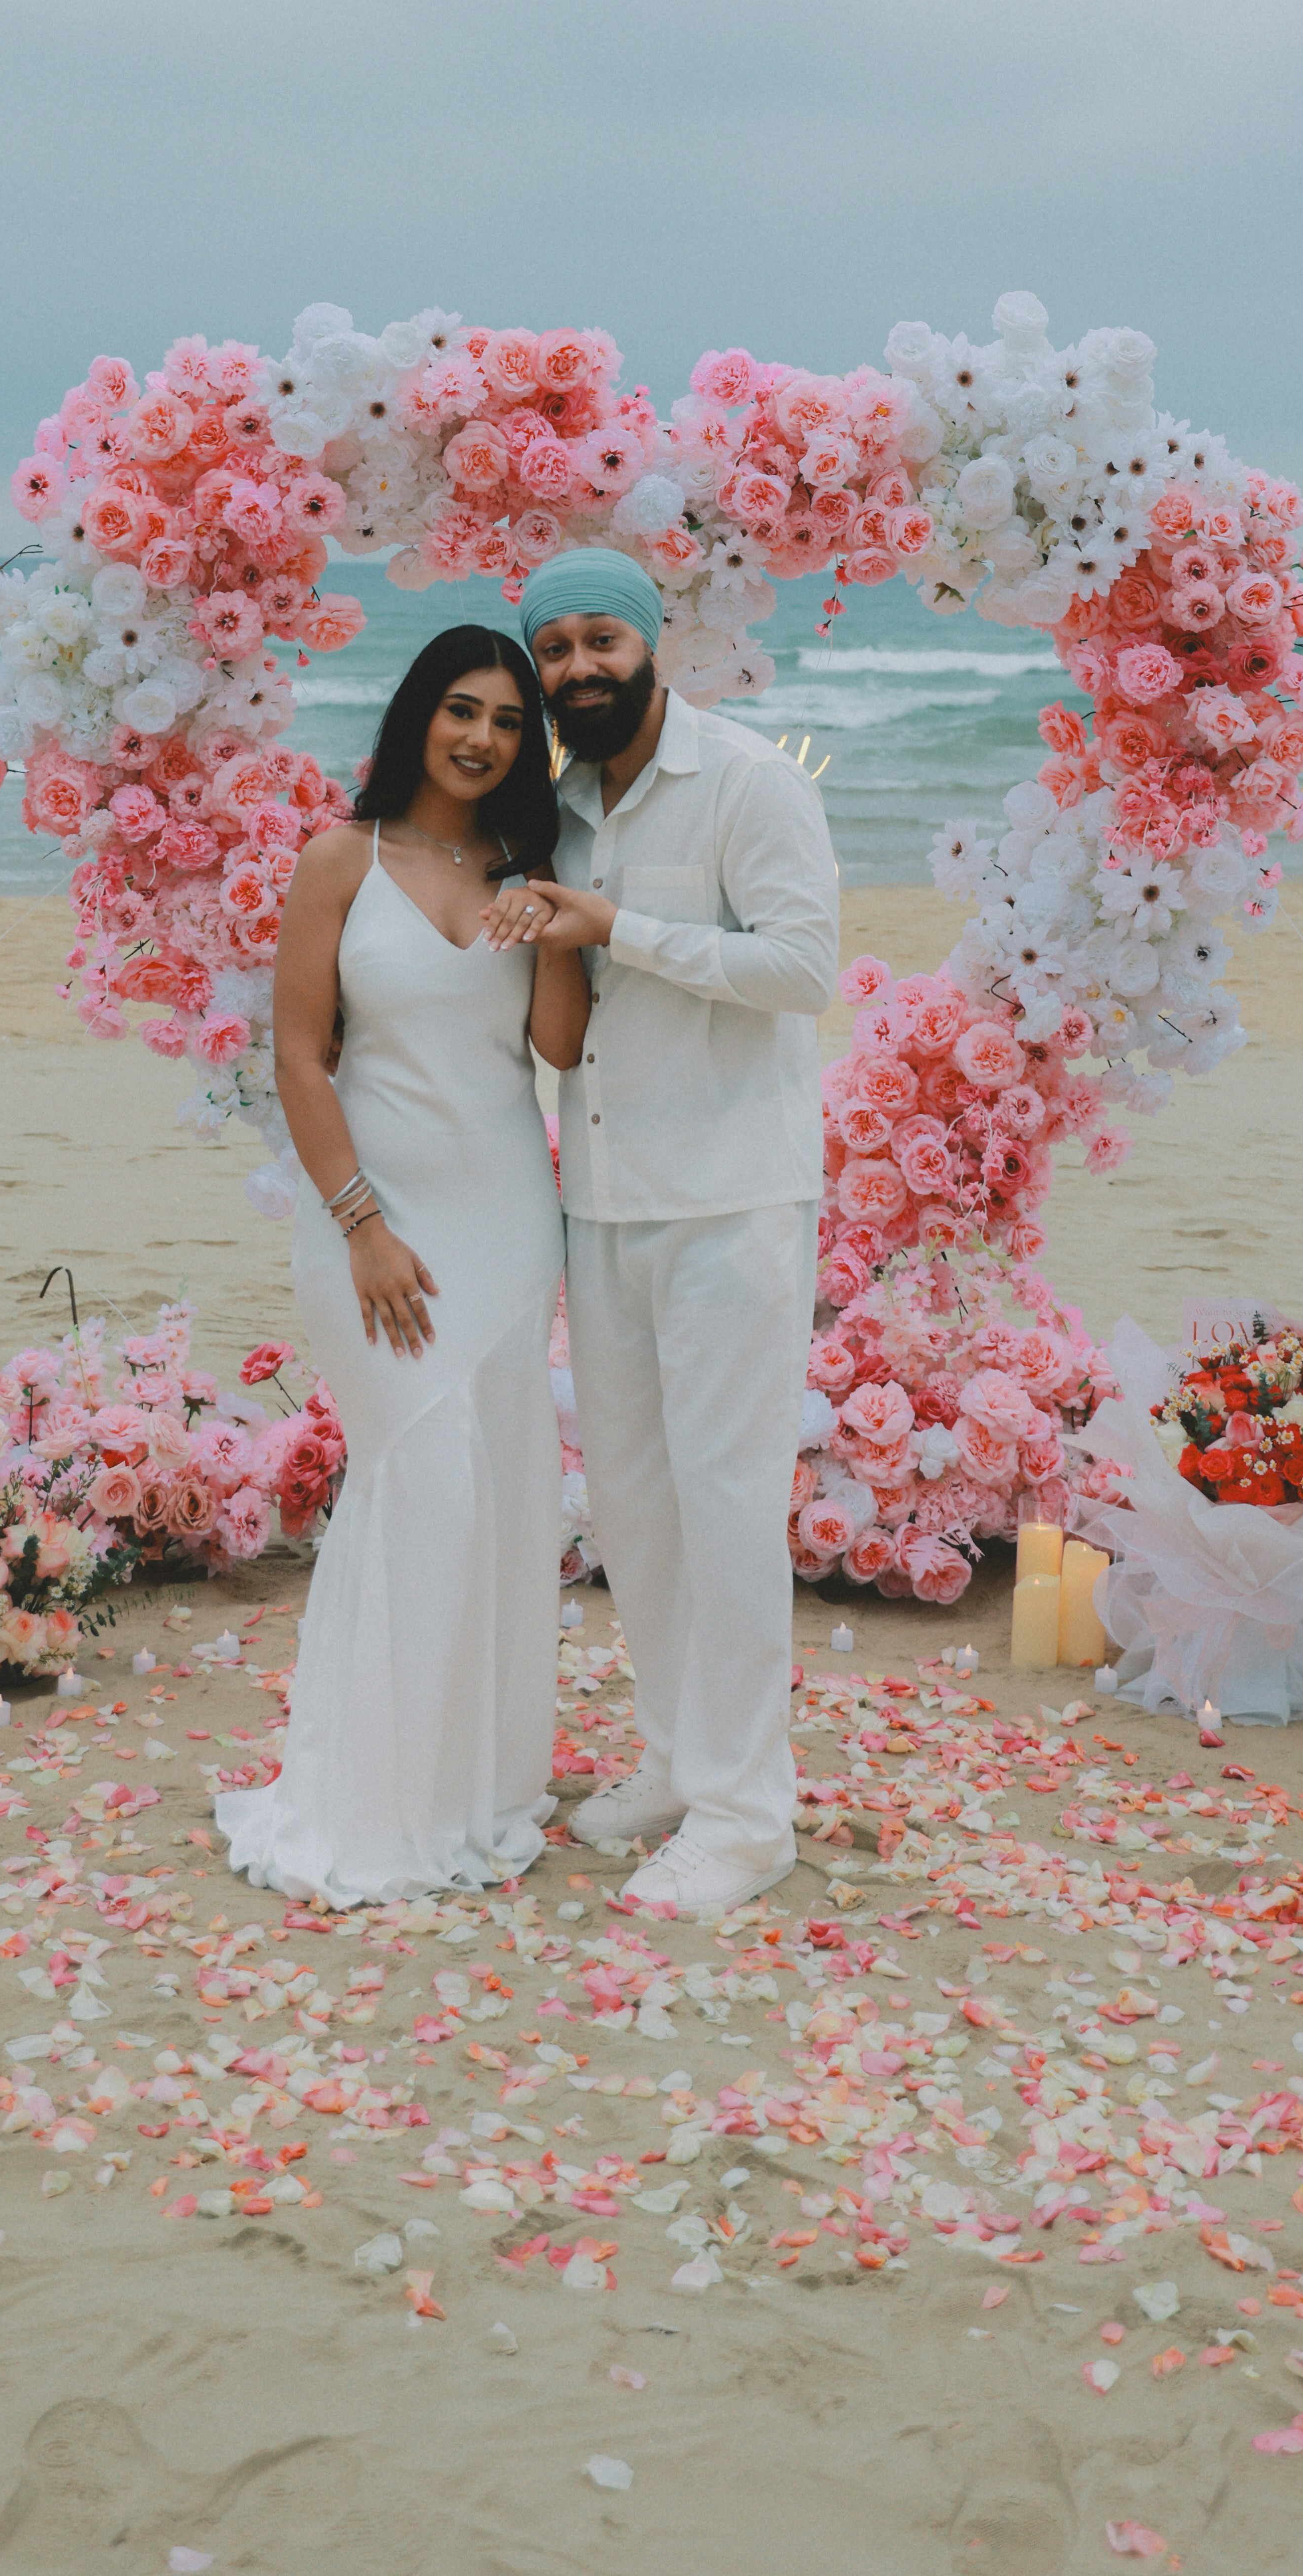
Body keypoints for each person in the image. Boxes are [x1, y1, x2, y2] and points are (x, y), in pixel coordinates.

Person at [486, 546, 840, 1919]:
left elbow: (803, 969)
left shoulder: (752, 781)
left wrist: (621, 927)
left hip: (734, 1201)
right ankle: (681, 1760)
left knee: (730, 1504)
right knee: (634, 1505)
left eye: (601, 640)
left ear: (656, 646)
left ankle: (752, 1816)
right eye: (556, 646)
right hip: (602, 1198)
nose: (580, 666)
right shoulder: (561, 810)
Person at [217, 626, 590, 1907]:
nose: (480, 736)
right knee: (416, 1484)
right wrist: (363, 1225)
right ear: (417, 715)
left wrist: (549, 922)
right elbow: (298, 1059)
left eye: (502, 719)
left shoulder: (516, 862)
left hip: (502, 1218)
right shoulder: (341, 858)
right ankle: (375, 1799)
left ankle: (473, 1787)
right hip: (373, 1229)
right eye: (459, 709)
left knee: (499, 1502)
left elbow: (556, 1046)